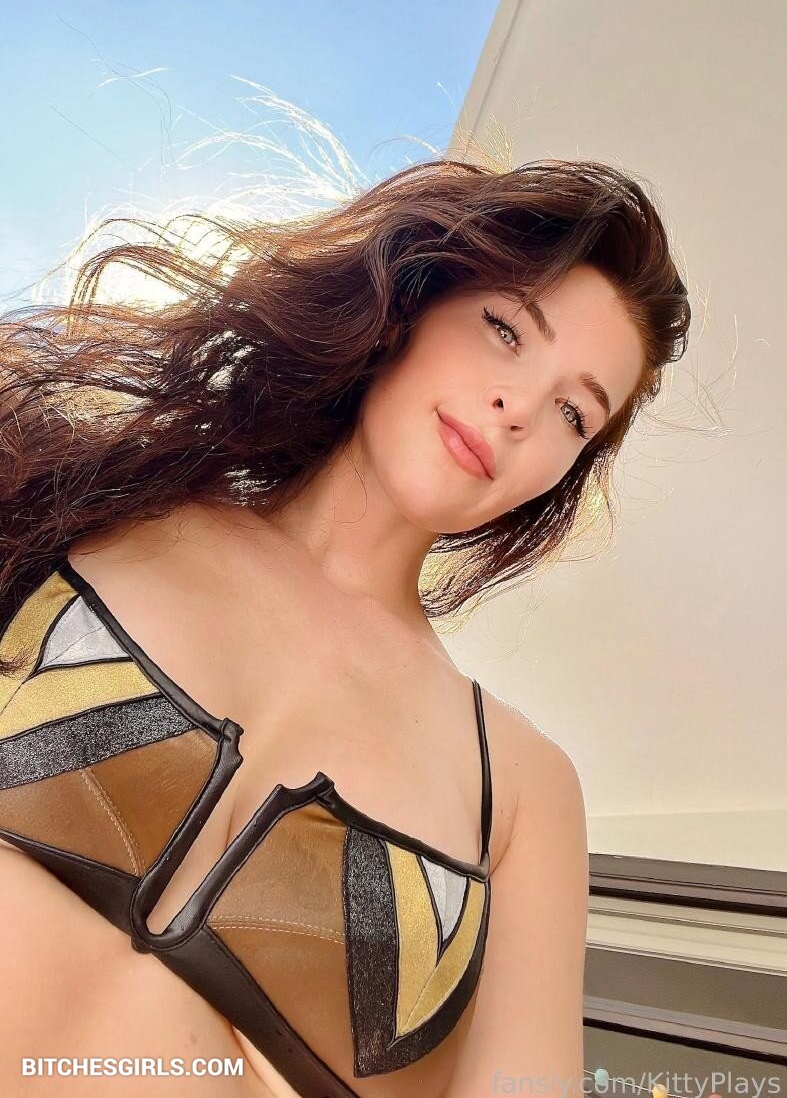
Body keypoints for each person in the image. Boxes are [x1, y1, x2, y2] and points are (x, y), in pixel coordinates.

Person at [0, 154, 690, 1098]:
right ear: (412, 301)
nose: (519, 410)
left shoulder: (524, 791)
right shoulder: (86, 505)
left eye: (573, 413)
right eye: (504, 331)